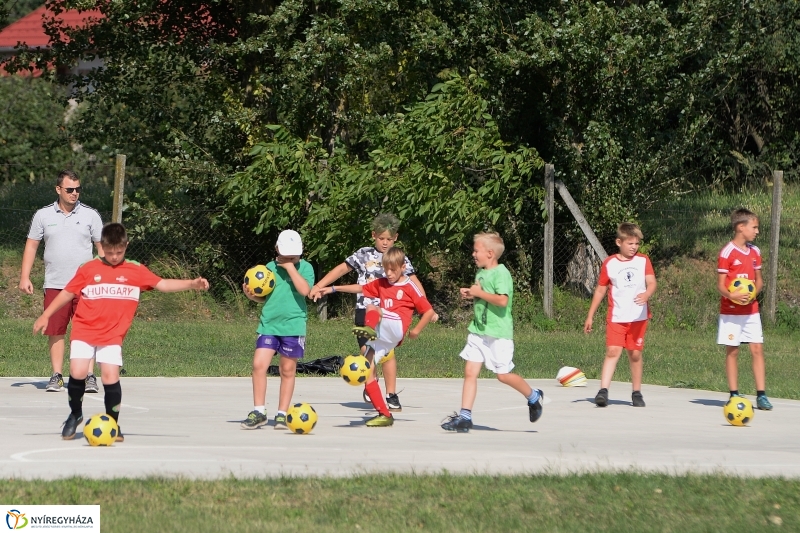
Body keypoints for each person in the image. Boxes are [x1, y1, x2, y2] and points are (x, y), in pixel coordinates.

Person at [32, 223, 209, 440]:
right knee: (78, 372)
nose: (114, 257)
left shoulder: (136, 270)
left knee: (110, 376)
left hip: (112, 334)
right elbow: (67, 293)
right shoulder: (88, 268)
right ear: (102, 247)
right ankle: (75, 414)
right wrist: (46, 315)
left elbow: (162, 284)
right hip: (84, 329)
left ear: (126, 246)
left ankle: (112, 422)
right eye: (109, 252)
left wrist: (192, 284)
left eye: (119, 252)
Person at [308, 213, 432, 412]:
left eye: (389, 239)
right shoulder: (363, 254)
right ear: (374, 235)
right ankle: (371, 384)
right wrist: (320, 286)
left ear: (396, 238)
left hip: (389, 314)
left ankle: (391, 394)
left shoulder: (399, 258)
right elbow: (341, 270)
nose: (385, 243)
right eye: (381, 238)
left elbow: (414, 283)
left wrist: (426, 307)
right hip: (364, 310)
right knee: (367, 352)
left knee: (388, 354)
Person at [441, 233, 543, 433]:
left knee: (503, 375)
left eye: (476, 251)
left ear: (490, 253)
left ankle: (533, 396)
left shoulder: (501, 273)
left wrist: (479, 293)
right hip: (478, 331)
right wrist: (471, 294)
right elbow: (484, 296)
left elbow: (502, 301)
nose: (473, 254)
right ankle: (465, 417)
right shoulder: (481, 273)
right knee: (470, 372)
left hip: (498, 333)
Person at [19, 170, 104, 393]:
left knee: (87, 330)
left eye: (78, 189)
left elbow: (101, 247)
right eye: (70, 189)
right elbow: (31, 245)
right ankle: (56, 375)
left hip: (86, 286)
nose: (74, 193)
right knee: (56, 330)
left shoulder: (91, 215)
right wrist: (25, 276)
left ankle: (88, 376)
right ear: (58, 189)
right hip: (56, 283)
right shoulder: (43, 215)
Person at [241, 230, 315, 430]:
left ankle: (282, 414)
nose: (290, 258)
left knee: (287, 370)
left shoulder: (305, 267)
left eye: (294, 255)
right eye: (286, 254)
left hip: (293, 326)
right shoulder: (268, 268)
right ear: (277, 249)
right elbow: (264, 296)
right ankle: (259, 411)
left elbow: (305, 291)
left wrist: (290, 268)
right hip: (269, 325)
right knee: (259, 365)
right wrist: (251, 296)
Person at [584, 222, 657, 408]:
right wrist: (590, 315)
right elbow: (601, 289)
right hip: (617, 317)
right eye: (630, 243)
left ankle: (636, 392)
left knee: (635, 354)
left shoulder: (643, 261)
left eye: (637, 244)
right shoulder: (610, 263)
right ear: (619, 242)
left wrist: (647, 294)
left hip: (638, 318)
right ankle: (603, 391)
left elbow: (652, 282)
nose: (634, 247)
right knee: (613, 351)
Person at [717, 208, 772, 410]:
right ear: (741, 227)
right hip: (731, 313)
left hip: (751, 312)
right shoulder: (727, 253)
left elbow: (759, 280)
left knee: (757, 349)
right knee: (733, 351)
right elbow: (721, 285)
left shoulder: (755, 251)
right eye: (754, 227)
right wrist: (732, 296)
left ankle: (761, 395)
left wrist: (753, 293)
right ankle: (734, 394)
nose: (757, 231)